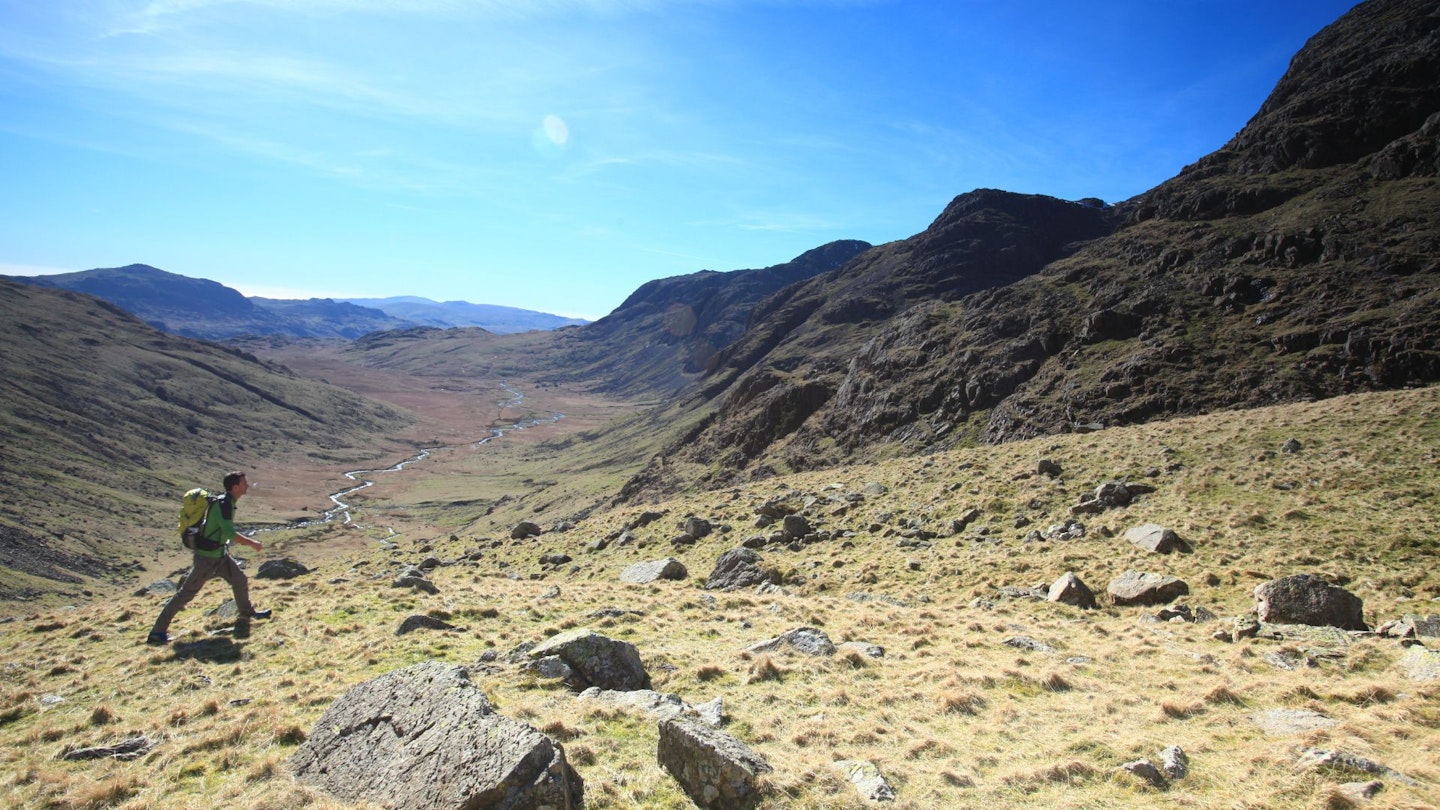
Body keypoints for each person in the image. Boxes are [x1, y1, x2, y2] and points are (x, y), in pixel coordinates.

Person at [147, 471, 271, 645]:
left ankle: (247, 613)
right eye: (244, 483)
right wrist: (252, 543)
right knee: (185, 595)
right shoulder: (224, 505)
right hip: (206, 559)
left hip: (219, 554)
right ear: (235, 487)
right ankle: (157, 632)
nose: (247, 486)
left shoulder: (228, 502)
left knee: (240, 579)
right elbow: (229, 533)